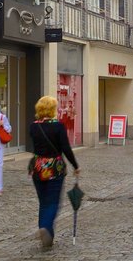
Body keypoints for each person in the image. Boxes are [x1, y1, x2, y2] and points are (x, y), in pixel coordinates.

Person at [28, 95, 79, 249]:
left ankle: (46, 234)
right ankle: (45, 227)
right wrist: (75, 166)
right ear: (52, 110)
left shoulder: (33, 126)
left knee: (43, 202)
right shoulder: (58, 126)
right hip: (54, 167)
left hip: (37, 166)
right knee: (53, 202)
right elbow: (65, 148)